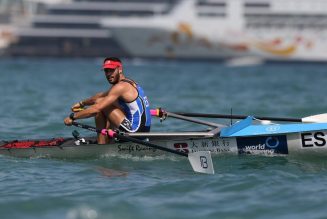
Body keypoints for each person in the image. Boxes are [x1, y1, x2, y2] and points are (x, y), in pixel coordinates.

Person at [64, 57, 151, 144]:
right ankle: (108, 139)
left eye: (111, 70)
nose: (108, 74)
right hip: (144, 131)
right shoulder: (128, 83)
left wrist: (73, 117)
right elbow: (100, 96)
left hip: (136, 132)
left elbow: (96, 108)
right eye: (106, 71)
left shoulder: (120, 87)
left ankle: (102, 144)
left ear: (120, 69)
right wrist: (82, 103)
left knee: (100, 106)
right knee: (104, 102)